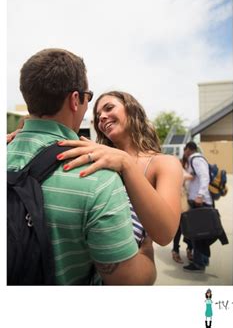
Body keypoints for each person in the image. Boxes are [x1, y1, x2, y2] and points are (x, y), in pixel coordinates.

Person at [7, 48, 156, 285]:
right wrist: (147, 251)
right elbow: (129, 282)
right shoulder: (98, 176)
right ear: (75, 100)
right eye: (90, 98)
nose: (99, 117)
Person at [57, 91, 183, 248]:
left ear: (132, 110)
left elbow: (165, 235)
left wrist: (126, 163)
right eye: (98, 116)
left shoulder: (165, 164)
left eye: (109, 108)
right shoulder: (96, 158)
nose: (102, 117)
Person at [181, 141, 213, 272]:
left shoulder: (195, 159)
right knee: (202, 234)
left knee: (198, 234)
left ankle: (199, 263)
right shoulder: (196, 159)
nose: (184, 152)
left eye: (185, 150)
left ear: (188, 149)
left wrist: (200, 195)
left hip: (200, 201)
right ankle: (202, 260)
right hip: (199, 200)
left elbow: (205, 177)